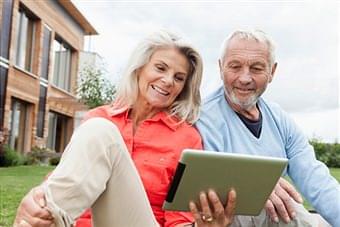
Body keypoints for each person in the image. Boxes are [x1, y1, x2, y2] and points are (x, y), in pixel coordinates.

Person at [14, 30, 237, 227]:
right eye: (160, 68)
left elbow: (180, 218)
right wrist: (37, 202)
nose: (168, 81)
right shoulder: (99, 116)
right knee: (98, 128)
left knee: (100, 130)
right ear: (139, 68)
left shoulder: (186, 138)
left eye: (179, 78)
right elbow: (70, 179)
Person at [196, 29, 340, 226]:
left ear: (272, 71)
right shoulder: (203, 117)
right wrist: (255, 187)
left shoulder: (279, 118)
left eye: (256, 68)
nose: (245, 78)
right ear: (221, 68)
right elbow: (206, 180)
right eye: (235, 66)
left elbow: (316, 179)